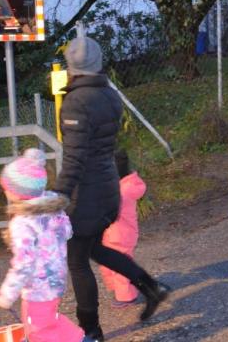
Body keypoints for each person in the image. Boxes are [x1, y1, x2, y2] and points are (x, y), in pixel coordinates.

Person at [54, 30, 168, 340]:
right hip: (108, 187)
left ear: (70, 65)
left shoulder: (76, 101)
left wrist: (58, 197)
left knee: (77, 260)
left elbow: (75, 158)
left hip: (88, 192)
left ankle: (91, 331)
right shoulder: (109, 94)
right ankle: (150, 286)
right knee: (97, 249)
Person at [0, 156, 89, 342]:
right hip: (56, 279)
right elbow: (67, 232)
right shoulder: (52, 209)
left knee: (39, 329)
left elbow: (23, 263)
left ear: (16, 192)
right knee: (47, 320)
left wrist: (8, 293)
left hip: (38, 287)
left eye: (7, 187)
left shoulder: (22, 223)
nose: (5, 191)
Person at [99, 150, 146, 308]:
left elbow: (106, 210)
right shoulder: (125, 186)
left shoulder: (120, 192)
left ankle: (126, 296)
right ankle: (121, 290)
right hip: (117, 233)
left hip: (119, 235)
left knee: (119, 265)